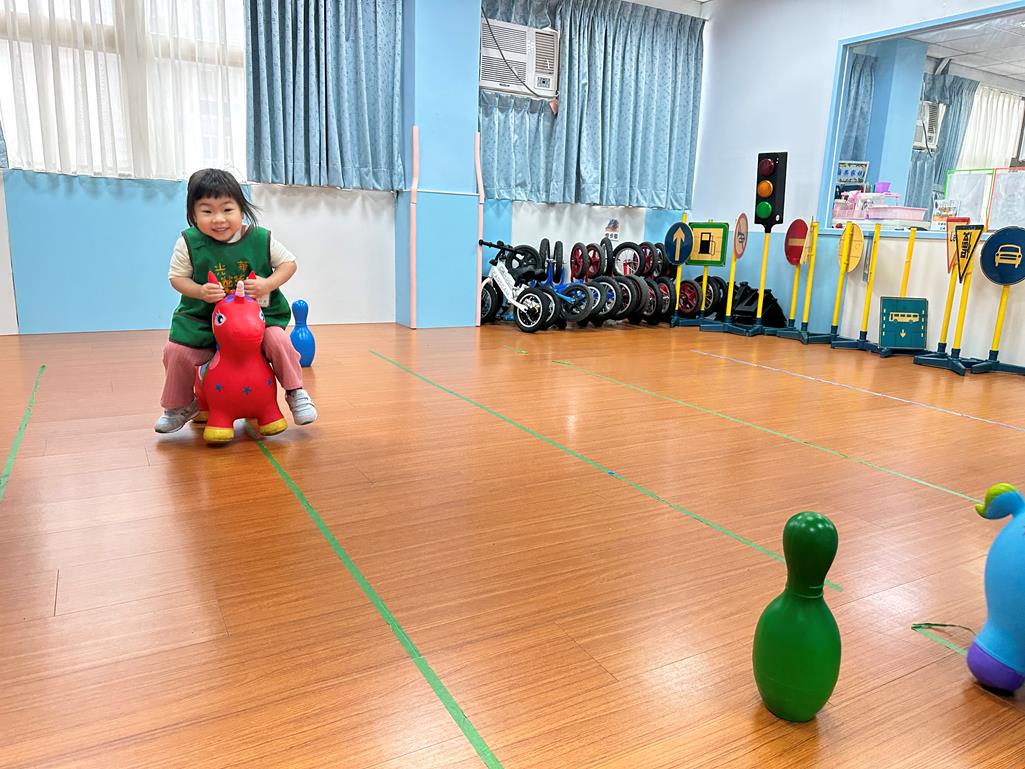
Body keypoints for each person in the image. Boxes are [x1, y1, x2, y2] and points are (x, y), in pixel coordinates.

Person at [155, 168, 317, 433]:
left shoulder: (260, 238)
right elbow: (177, 278)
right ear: (193, 214)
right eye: (207, 211)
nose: (218, 219)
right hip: (202, 320)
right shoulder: (188, 242)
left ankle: (295, 391)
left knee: (279, 340)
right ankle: (181, 405)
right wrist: (200, 291)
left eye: (227, 209)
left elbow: (289, 263)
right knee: (176, 352)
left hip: (256, 322)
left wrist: (267, 284)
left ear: (241, 209)